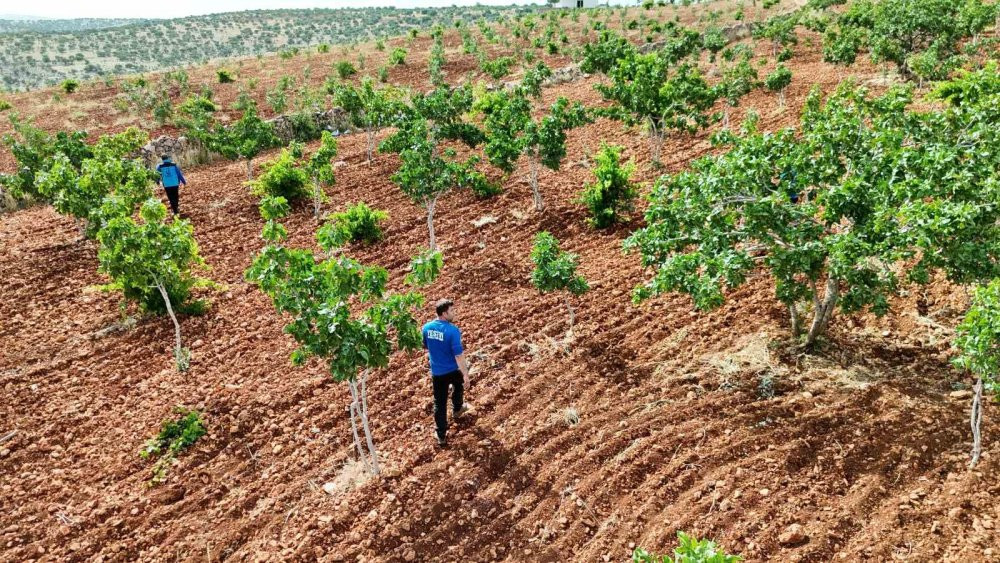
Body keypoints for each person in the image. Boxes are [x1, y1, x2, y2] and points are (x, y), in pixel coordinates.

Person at [422, 299, 470, 446]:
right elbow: (458, 355)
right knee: (459, 386)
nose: (454, 313)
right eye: (452, 311)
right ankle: (457, 409)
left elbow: (425, 345)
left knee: (440, 403)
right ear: (444, 313)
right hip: (453, 369)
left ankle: (441, 434)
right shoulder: (452, 331)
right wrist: (466, 374)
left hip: (437, 372)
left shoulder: (426, 328)